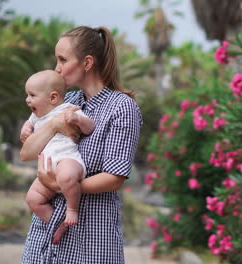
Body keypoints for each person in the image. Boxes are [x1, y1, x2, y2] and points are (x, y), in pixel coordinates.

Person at [20, 26, 142, 263]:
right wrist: (54, 125)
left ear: (87, 62)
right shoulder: (65, 103)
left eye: (63, 59)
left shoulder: (122, 107)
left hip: (91, 235)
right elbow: (27, 153)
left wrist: (59, 185)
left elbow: (115, 177)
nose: (57, 68)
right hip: (45, 234)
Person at [21, 70, 95, 227]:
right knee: (33, 199)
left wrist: (78, 120)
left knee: (66, 176)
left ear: (53, 97)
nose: (27, 100)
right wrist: (25, 129)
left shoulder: (68, 109)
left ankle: (72, 209)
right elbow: (29, 125)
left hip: (67, 159)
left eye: (32, 95)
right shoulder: (36, 116)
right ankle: (57, 225)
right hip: (47, 167)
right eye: (27, 95)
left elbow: (90, 127)